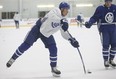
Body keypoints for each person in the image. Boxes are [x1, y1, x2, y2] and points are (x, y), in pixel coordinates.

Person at [6, 2, 79, 77]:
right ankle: (12, 59)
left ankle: (53, 68)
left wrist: (71, 40)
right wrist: (61, 21)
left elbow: (64, 33)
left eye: (68, 10)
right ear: (61, 9)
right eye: (66, 9)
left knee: (53, 48)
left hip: (46, 34)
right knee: (26, 45)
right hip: (37, 29)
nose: (67, 12)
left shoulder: (64, 20)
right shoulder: (55, 11)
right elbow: (51, 16)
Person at [85, 0, 116, 69]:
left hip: (113, 28)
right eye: (107, 2)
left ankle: (111, 60)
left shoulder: (114, 7)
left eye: (110, 1)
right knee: (105, 45)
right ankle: (106, 60)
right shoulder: (100, 8)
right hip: (104, 29)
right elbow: (94, 17)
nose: (108, 3)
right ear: (105, 2)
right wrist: (90, 22)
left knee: (114, 45)